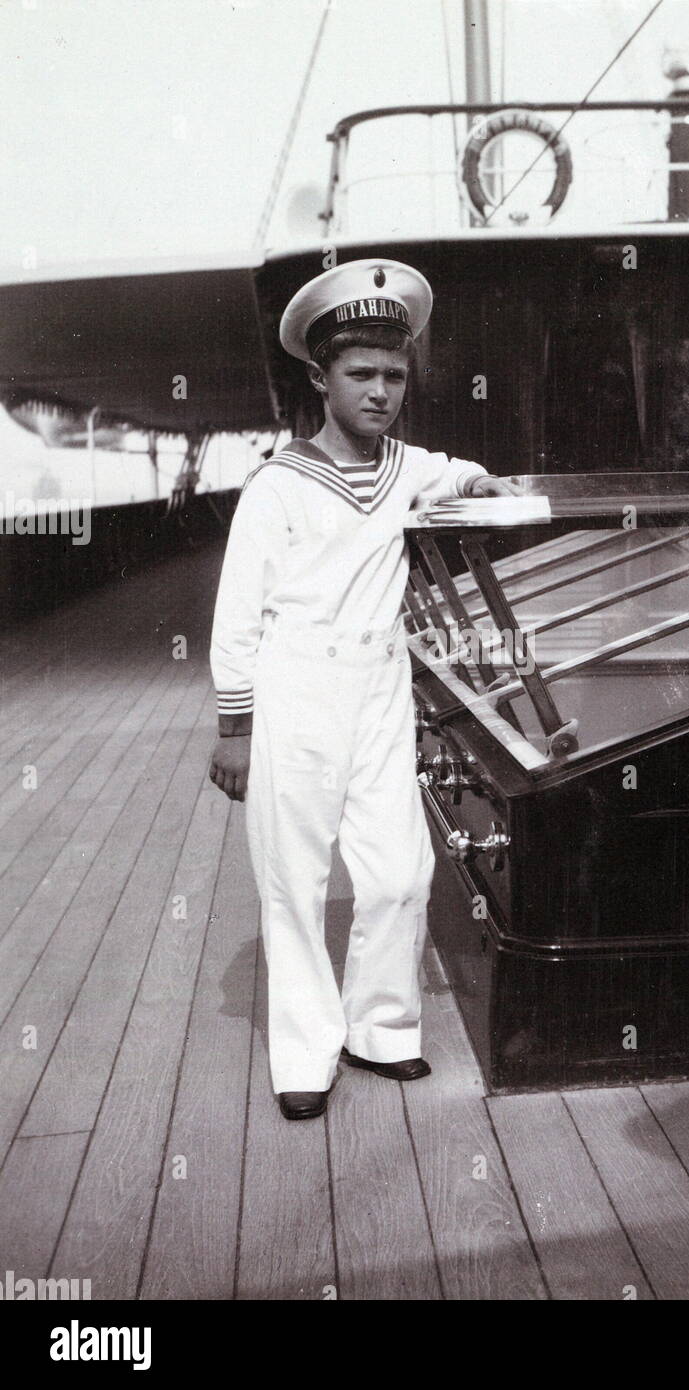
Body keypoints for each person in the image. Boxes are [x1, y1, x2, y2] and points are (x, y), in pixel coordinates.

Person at [208, 258, 518, 1121]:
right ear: (320, 378)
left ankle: (381, 1029)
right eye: (361, 374)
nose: (380, 391)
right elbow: (237, 617)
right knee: (294, 878)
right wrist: (235, 726)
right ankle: (305, 1053)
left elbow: (450, 470)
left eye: (393, 373)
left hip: (380, 686)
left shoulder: (404, 467)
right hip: (295, 687)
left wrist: (474, 482)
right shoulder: (277, 487)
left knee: (400, 872)